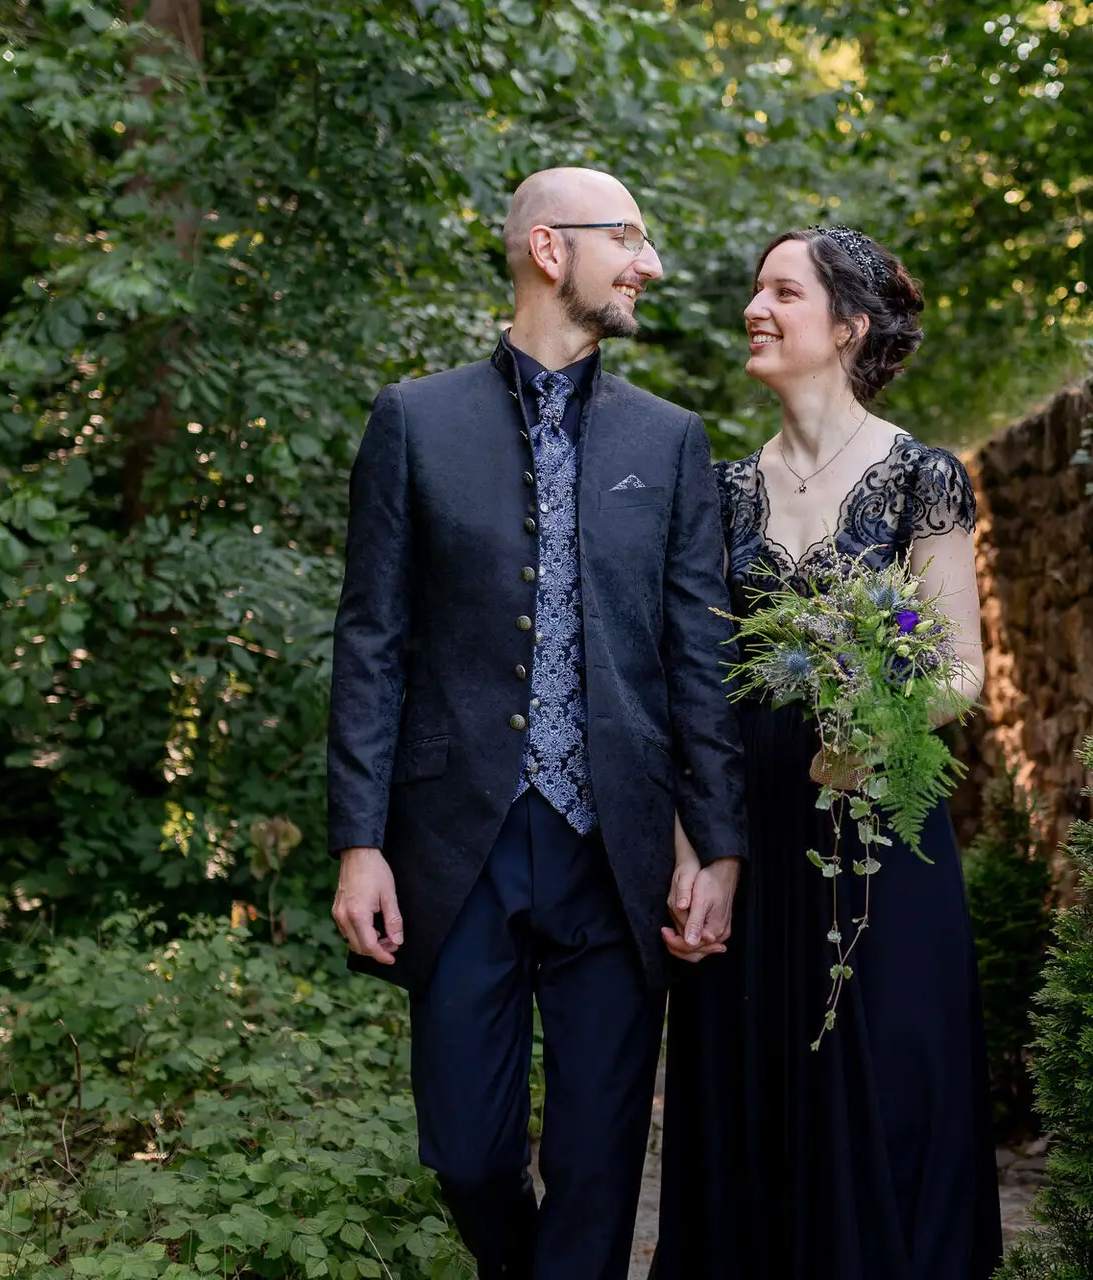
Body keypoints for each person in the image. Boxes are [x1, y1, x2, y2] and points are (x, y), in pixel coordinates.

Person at [327, 166, 746, 1280]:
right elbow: (371, 640)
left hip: (619, 849)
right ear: (551, 248)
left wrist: (717, 843)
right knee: (468, 1154)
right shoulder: (414, 421)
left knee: (598, 1165)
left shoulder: (670, 440)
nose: (651, 264)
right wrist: (359, 841)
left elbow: (699, 657)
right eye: (631, 239)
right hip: (454, 844)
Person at [654, 225, 1004, 1280]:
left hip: (877, 819)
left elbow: (960, 670)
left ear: (849, 325)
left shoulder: (922, 478)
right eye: (756, 290)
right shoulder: (716, 491)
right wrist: (693, 848)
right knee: (749, 1082)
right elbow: (692, 691)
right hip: (748, 827)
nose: (755, 309)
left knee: (891, 1071)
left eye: (782, 292)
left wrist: (870, 724)